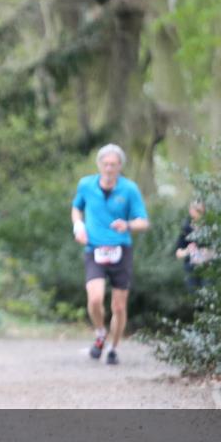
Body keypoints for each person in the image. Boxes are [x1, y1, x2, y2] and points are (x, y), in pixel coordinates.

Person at [71, 144, 149, 365]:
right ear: (99, 165)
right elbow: (76, 208)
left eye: (113, 165)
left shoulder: (129, 189)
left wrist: (128, 224)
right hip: (94, 248)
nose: (109, 169)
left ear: (120, 166)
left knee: (119, 306)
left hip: (120, 250)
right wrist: (78, 227)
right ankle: (100, 333)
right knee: (95, 298)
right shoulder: (86, 185)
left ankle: (113, 348)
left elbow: (143, 222)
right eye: (105, 164)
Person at [175, 201, 213, 291]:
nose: (197, 212)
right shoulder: (186, 229)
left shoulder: (211, 227)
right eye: (195, 209)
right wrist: (188, 250)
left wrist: (208, 252)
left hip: (208, 269)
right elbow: (178, 253)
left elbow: (220, 250)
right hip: (191, 270)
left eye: (199, 210)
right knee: (193, 294)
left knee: (208, 291)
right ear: (190, 211)